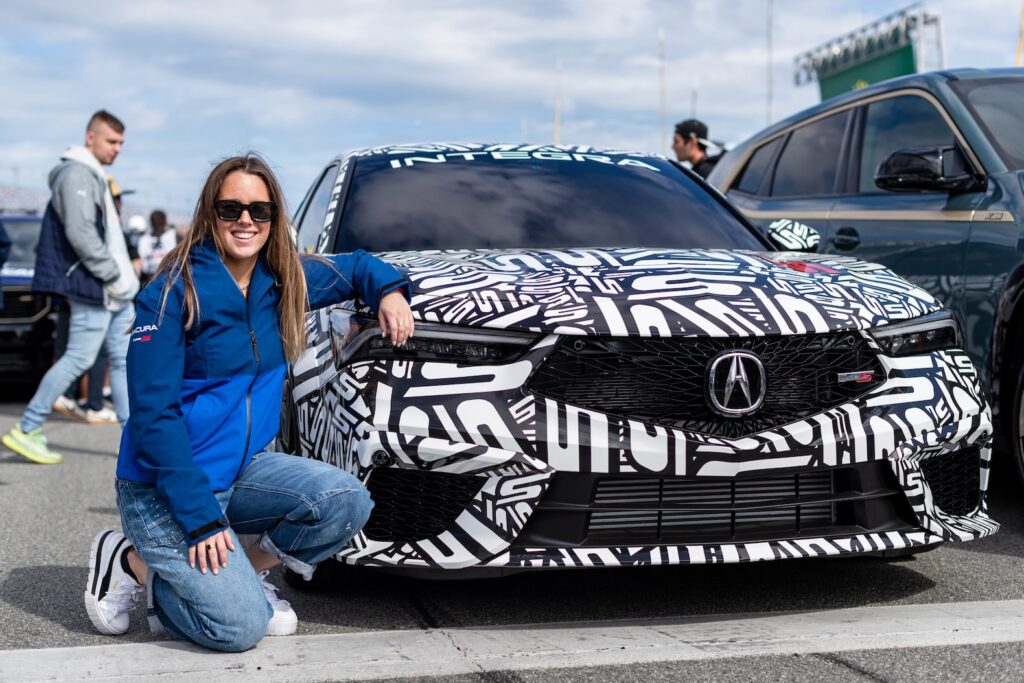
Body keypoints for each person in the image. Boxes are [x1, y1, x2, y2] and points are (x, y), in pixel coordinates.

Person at [84, 153, 414, 651]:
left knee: (346, 500)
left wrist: (389, 291)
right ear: (210, 214)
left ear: (275, 218)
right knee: (240, 628)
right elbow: (152, 419)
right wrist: (200, 520)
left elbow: (358, 266)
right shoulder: (173, 291)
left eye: (260, 211)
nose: (245, 221)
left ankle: (242, 570)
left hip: (239, 474)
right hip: (164, 490)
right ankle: (131, 561)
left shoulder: (286, 279)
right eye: (230, 209)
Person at [2, 111, 138, 464]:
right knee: (79, 356)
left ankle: (134, 442)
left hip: (113, 291)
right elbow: (81, 234)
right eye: (112, 141)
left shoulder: (93, 173)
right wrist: (113, 275)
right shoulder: (76, 172)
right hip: (96, 287)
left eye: (121, 143)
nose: (117, 149)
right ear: (90, 137)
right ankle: (28, 427)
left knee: (123, 362)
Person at [136, 209, 176, 288]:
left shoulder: (173, 236)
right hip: (152, 281)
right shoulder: (174, 237)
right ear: (165, 222)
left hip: (167, 281)